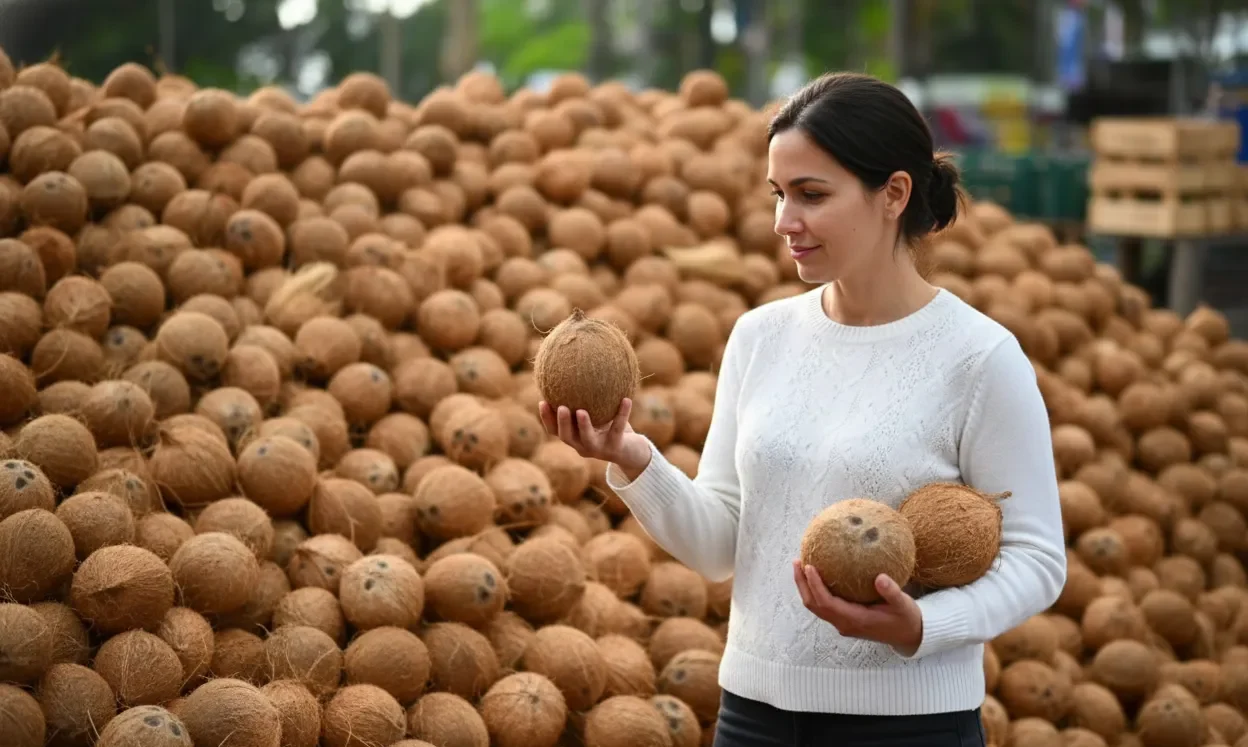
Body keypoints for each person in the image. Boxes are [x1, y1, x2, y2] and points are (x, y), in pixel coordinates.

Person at [539, 71, 1067, 747]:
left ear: (894, 194)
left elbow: (1037, 558)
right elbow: (719, 545)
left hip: (909, 727)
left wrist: (924, 627)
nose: (784, 222)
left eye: (812, 195)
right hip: (752, 714)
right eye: (779, 194)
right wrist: (631, 457)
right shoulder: (759, 337)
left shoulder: (980, 357)